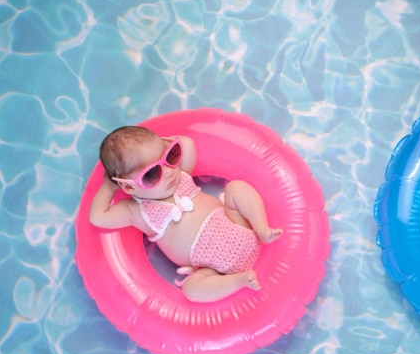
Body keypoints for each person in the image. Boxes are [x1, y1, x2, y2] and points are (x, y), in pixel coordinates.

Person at [89, 126, 282, 303]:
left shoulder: (182, 176)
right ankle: (238, 281)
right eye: (152, 173)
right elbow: (98, 217)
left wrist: (162, 146)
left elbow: (187, 144)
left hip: (240, 225)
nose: (167, 173)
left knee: (236, 188)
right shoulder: (136, 212)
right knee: (191, 289)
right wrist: (109, 185)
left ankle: (262, 228)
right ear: (129, 186)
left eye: (169, 158)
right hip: (215, 270)